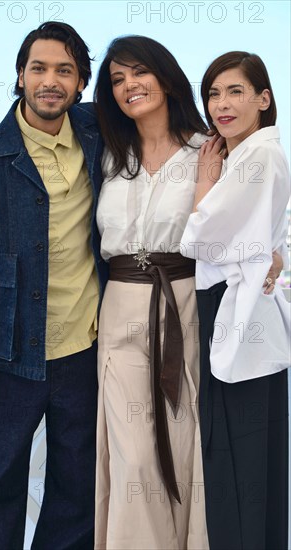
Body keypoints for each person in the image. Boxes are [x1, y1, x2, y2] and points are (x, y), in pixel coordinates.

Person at [0, 22, 108, 550]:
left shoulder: (98, 135)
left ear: (81, 83)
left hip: (84, 354)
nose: (50, 81)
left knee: (78, 491)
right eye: (39, 68)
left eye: (65, 70)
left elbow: (166, 129)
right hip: (7, 359)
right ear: (19, 76)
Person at [93, 35, 210, 550]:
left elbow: (246, 219)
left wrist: (270, 252)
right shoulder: (105, 154)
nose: (128, 86)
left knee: (185, 442)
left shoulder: (209, 148)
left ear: (165, 76)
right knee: (134, 454)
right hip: (119, 310)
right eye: (117, 79)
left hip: (185, 304)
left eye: (138, 72)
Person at [181, 51, 290, 549]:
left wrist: (204, 183)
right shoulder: (247, 154)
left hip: (237, 316)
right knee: (253, 466)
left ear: (264, 100)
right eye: (213, 93)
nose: (221, 104)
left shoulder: (258, 155)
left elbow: (200, 239)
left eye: (236, 91)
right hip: (243, 316)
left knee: (236, 464)